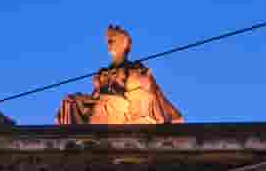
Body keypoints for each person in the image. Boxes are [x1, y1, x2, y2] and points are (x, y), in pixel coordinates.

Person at [55, 25, 184, 125]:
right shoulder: (104, 72)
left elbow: (144, 89)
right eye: (108, 41)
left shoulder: (135, 69)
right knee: (70, 102)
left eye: (112, 40)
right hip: (103, 105)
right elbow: (96, 96)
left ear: (123, 43)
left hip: (117, 107)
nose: (109, 44)